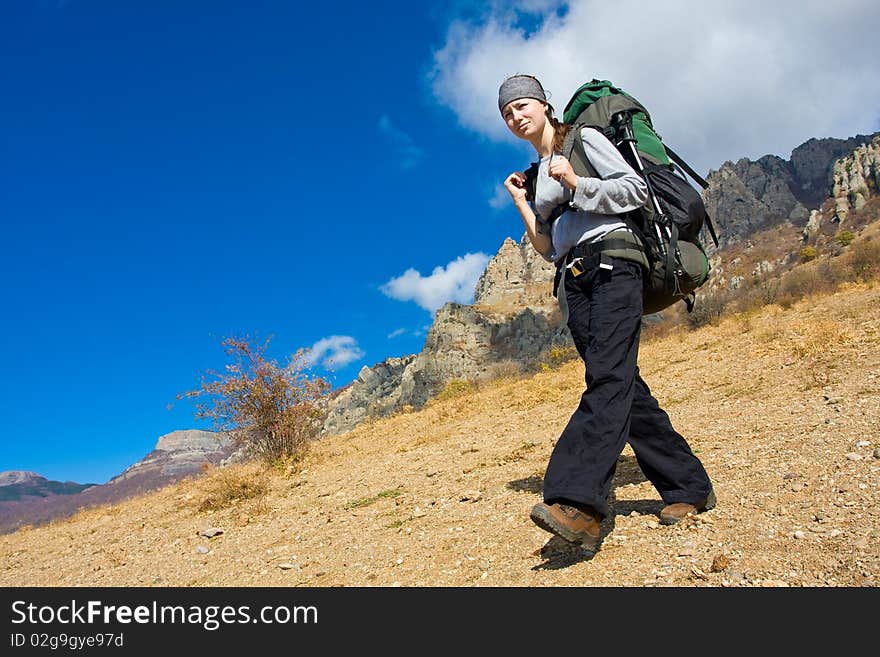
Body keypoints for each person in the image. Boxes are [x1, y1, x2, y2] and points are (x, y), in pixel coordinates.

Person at [499, 74, 715, 551]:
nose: (516, 116)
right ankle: (688, 486)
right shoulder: (536, 174)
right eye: (508, 112)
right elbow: (548, 245)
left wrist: (577, 183)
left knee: (609, 379)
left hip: (615, 263)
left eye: (522, 105)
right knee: (619, 381)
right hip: (573, 278)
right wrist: (522, 202)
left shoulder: (583, 139)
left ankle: (580, 504)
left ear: (543, 105)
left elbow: (633, 190)